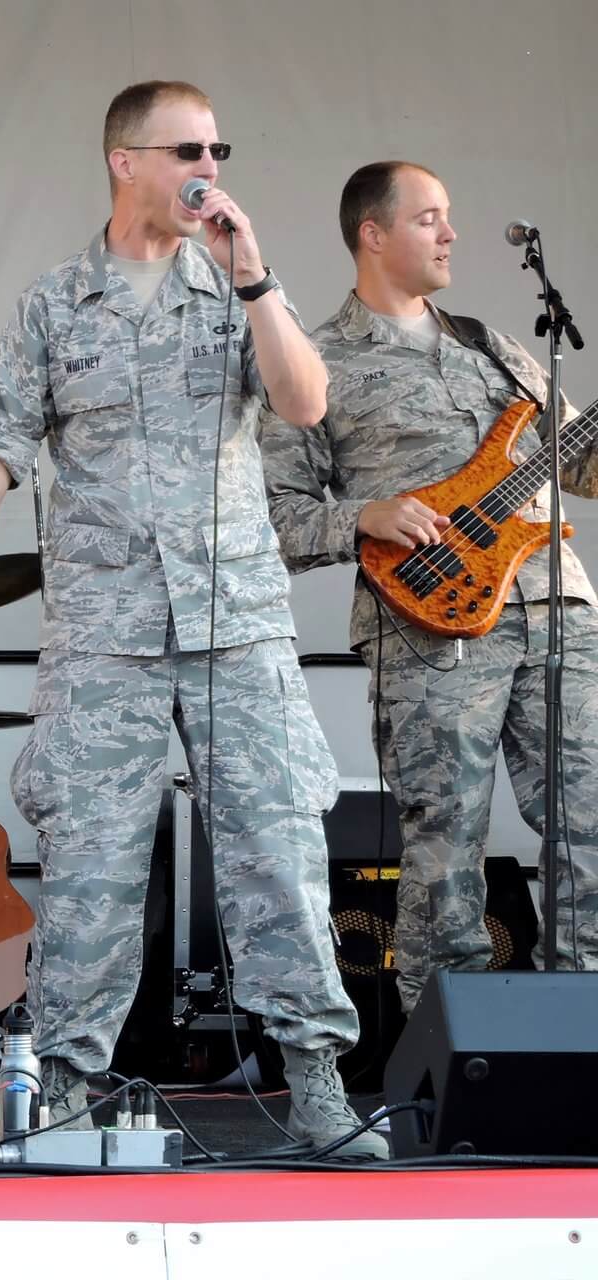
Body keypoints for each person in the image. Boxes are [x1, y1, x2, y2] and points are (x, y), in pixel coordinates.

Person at [0, 81, 384, 1156]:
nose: (208, 164)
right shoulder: (53, 303)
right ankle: (66, 1089)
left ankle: (317, 1084)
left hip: (237, 620)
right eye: (186, 148)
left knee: (278, 850)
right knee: (91, 859)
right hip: (105, 629)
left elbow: (306, 403)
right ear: (127, 161)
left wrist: (252, 272)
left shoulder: (237, 284)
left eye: (219, 144)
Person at [260, 160, 598, 1009]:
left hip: (556, 606)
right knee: (447, 844)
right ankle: (448, 1061)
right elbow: (274, 516)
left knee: (592, 827)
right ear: (372, 234)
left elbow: (581, 463)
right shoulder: (316, 360)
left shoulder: (494, 345)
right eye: (429, 218)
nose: (451, 234)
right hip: (431, 625)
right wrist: (362, 516)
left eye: (449, 217)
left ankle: (580, 1030)